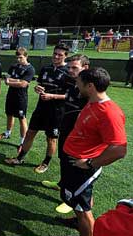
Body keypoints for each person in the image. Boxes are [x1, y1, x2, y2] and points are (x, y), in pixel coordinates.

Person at [60, 67, 127, 236]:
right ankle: (78, 221)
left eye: (79, 83)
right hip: (73, 162)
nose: (77, 86)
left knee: (82, 209)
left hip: (81, 167)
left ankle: (85, 225)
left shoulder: (109, 112)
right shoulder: (92, 101)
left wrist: (90, 163)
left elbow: (119, 149)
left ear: (90, 86)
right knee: (78, 203)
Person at [5, 44, 70, 174]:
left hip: (56, 111)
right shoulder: (46, 68)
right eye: (55, 53)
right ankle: (20, 158)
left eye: (60, 55)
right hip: (41, 108)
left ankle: (45, 163)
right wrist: (37, 89)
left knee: (51, 138)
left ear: (65, 56)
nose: (56, 56)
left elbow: (70, 95)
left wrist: (52, 96)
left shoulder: (69, 72)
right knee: (30, 133)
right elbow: (39, 85)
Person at [39, 54, 90, 214]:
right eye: (69, 67)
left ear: (85, 68)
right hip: (66, 127)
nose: (70, 70)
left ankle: (72, 199)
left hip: (80, 135)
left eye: (74, 67)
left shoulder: (89, 88)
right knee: (64, 159)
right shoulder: (71, 83)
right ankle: (62, 184)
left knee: (76, 166)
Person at [0, 48, 35, 145]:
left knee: (22, 118)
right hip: (11, 95)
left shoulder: (30, 69)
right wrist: (17, 80)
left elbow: (23, 84)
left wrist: (12, 81)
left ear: (26, 56)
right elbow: (6, 79)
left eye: (20, 57)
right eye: (17, 58)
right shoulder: (13, 66)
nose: (18, 60)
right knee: (9, 115)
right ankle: (7, 133)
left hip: (21, 97)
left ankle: (22, 142)